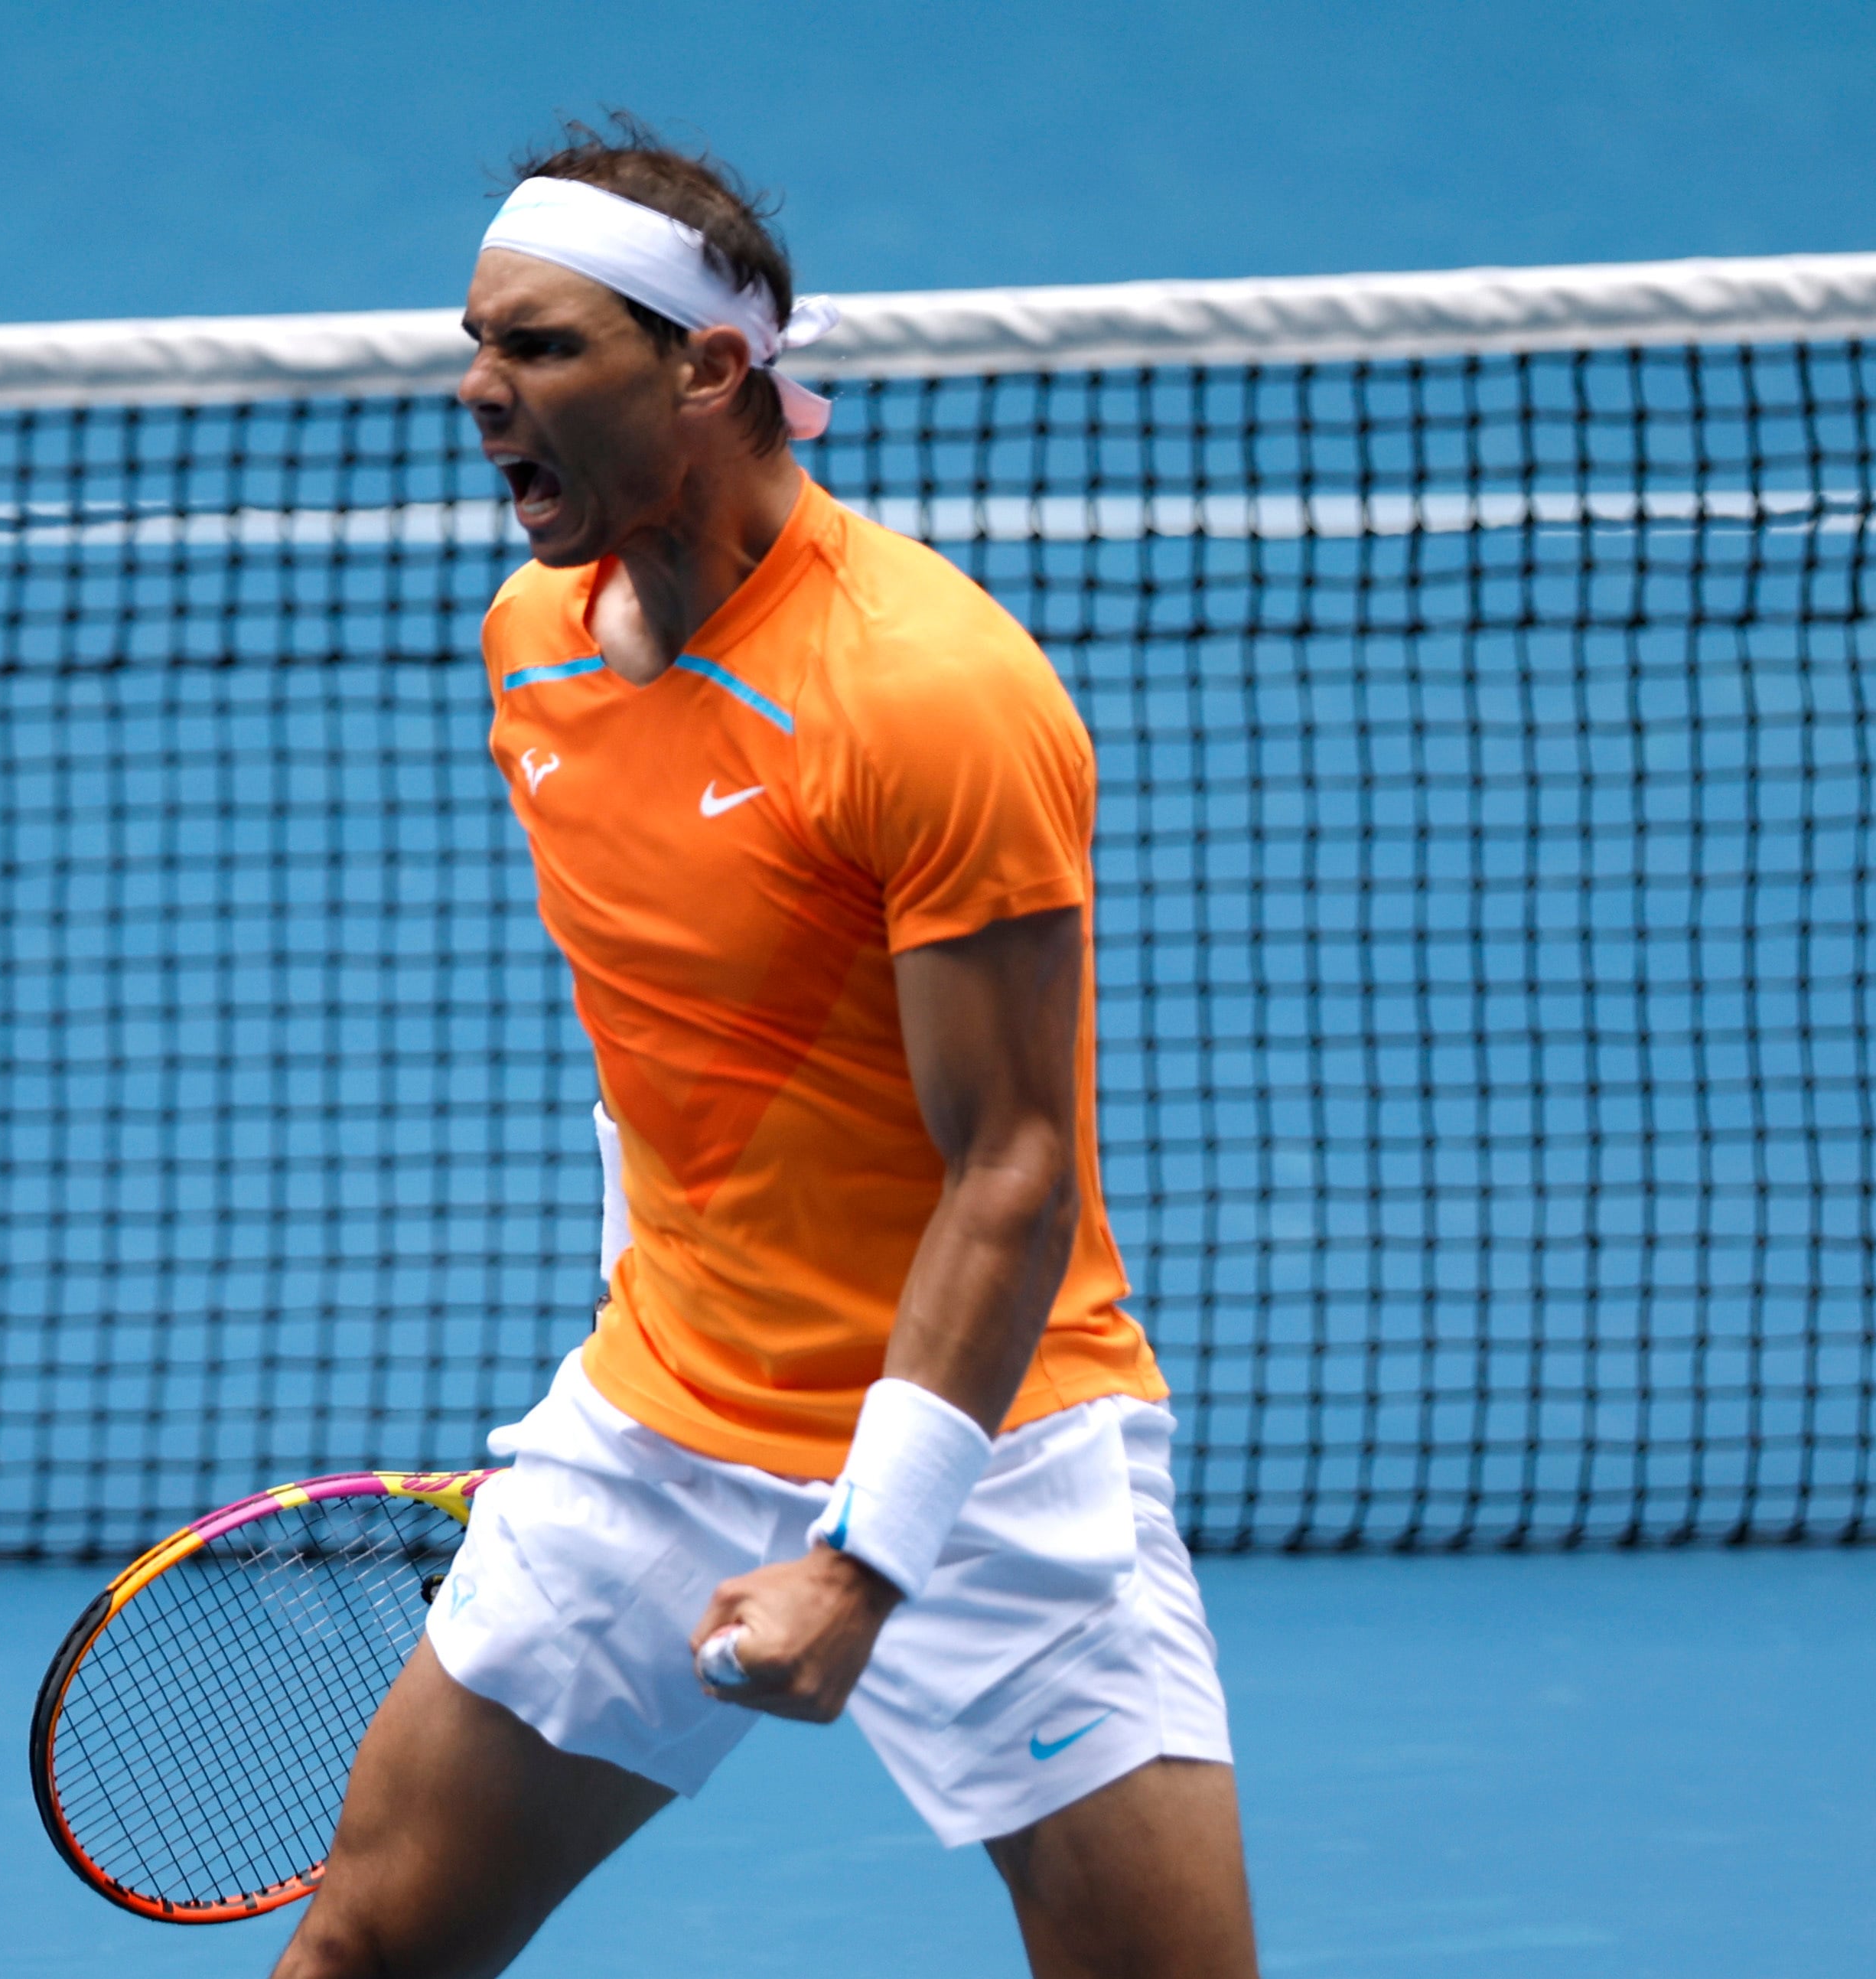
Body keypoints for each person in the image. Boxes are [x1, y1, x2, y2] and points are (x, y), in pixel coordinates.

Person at [275, 122, 1259, 1979]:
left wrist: (866, 1555)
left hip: (988, 1451)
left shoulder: (926, 696)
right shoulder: (530, 647)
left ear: (708, 368)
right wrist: (660, 1330)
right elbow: (662, 1041)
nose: (480, 394)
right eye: (474, 344)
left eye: (542, 349)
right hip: (655, 1433)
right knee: (366, 1953)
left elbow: (1013, 1165)